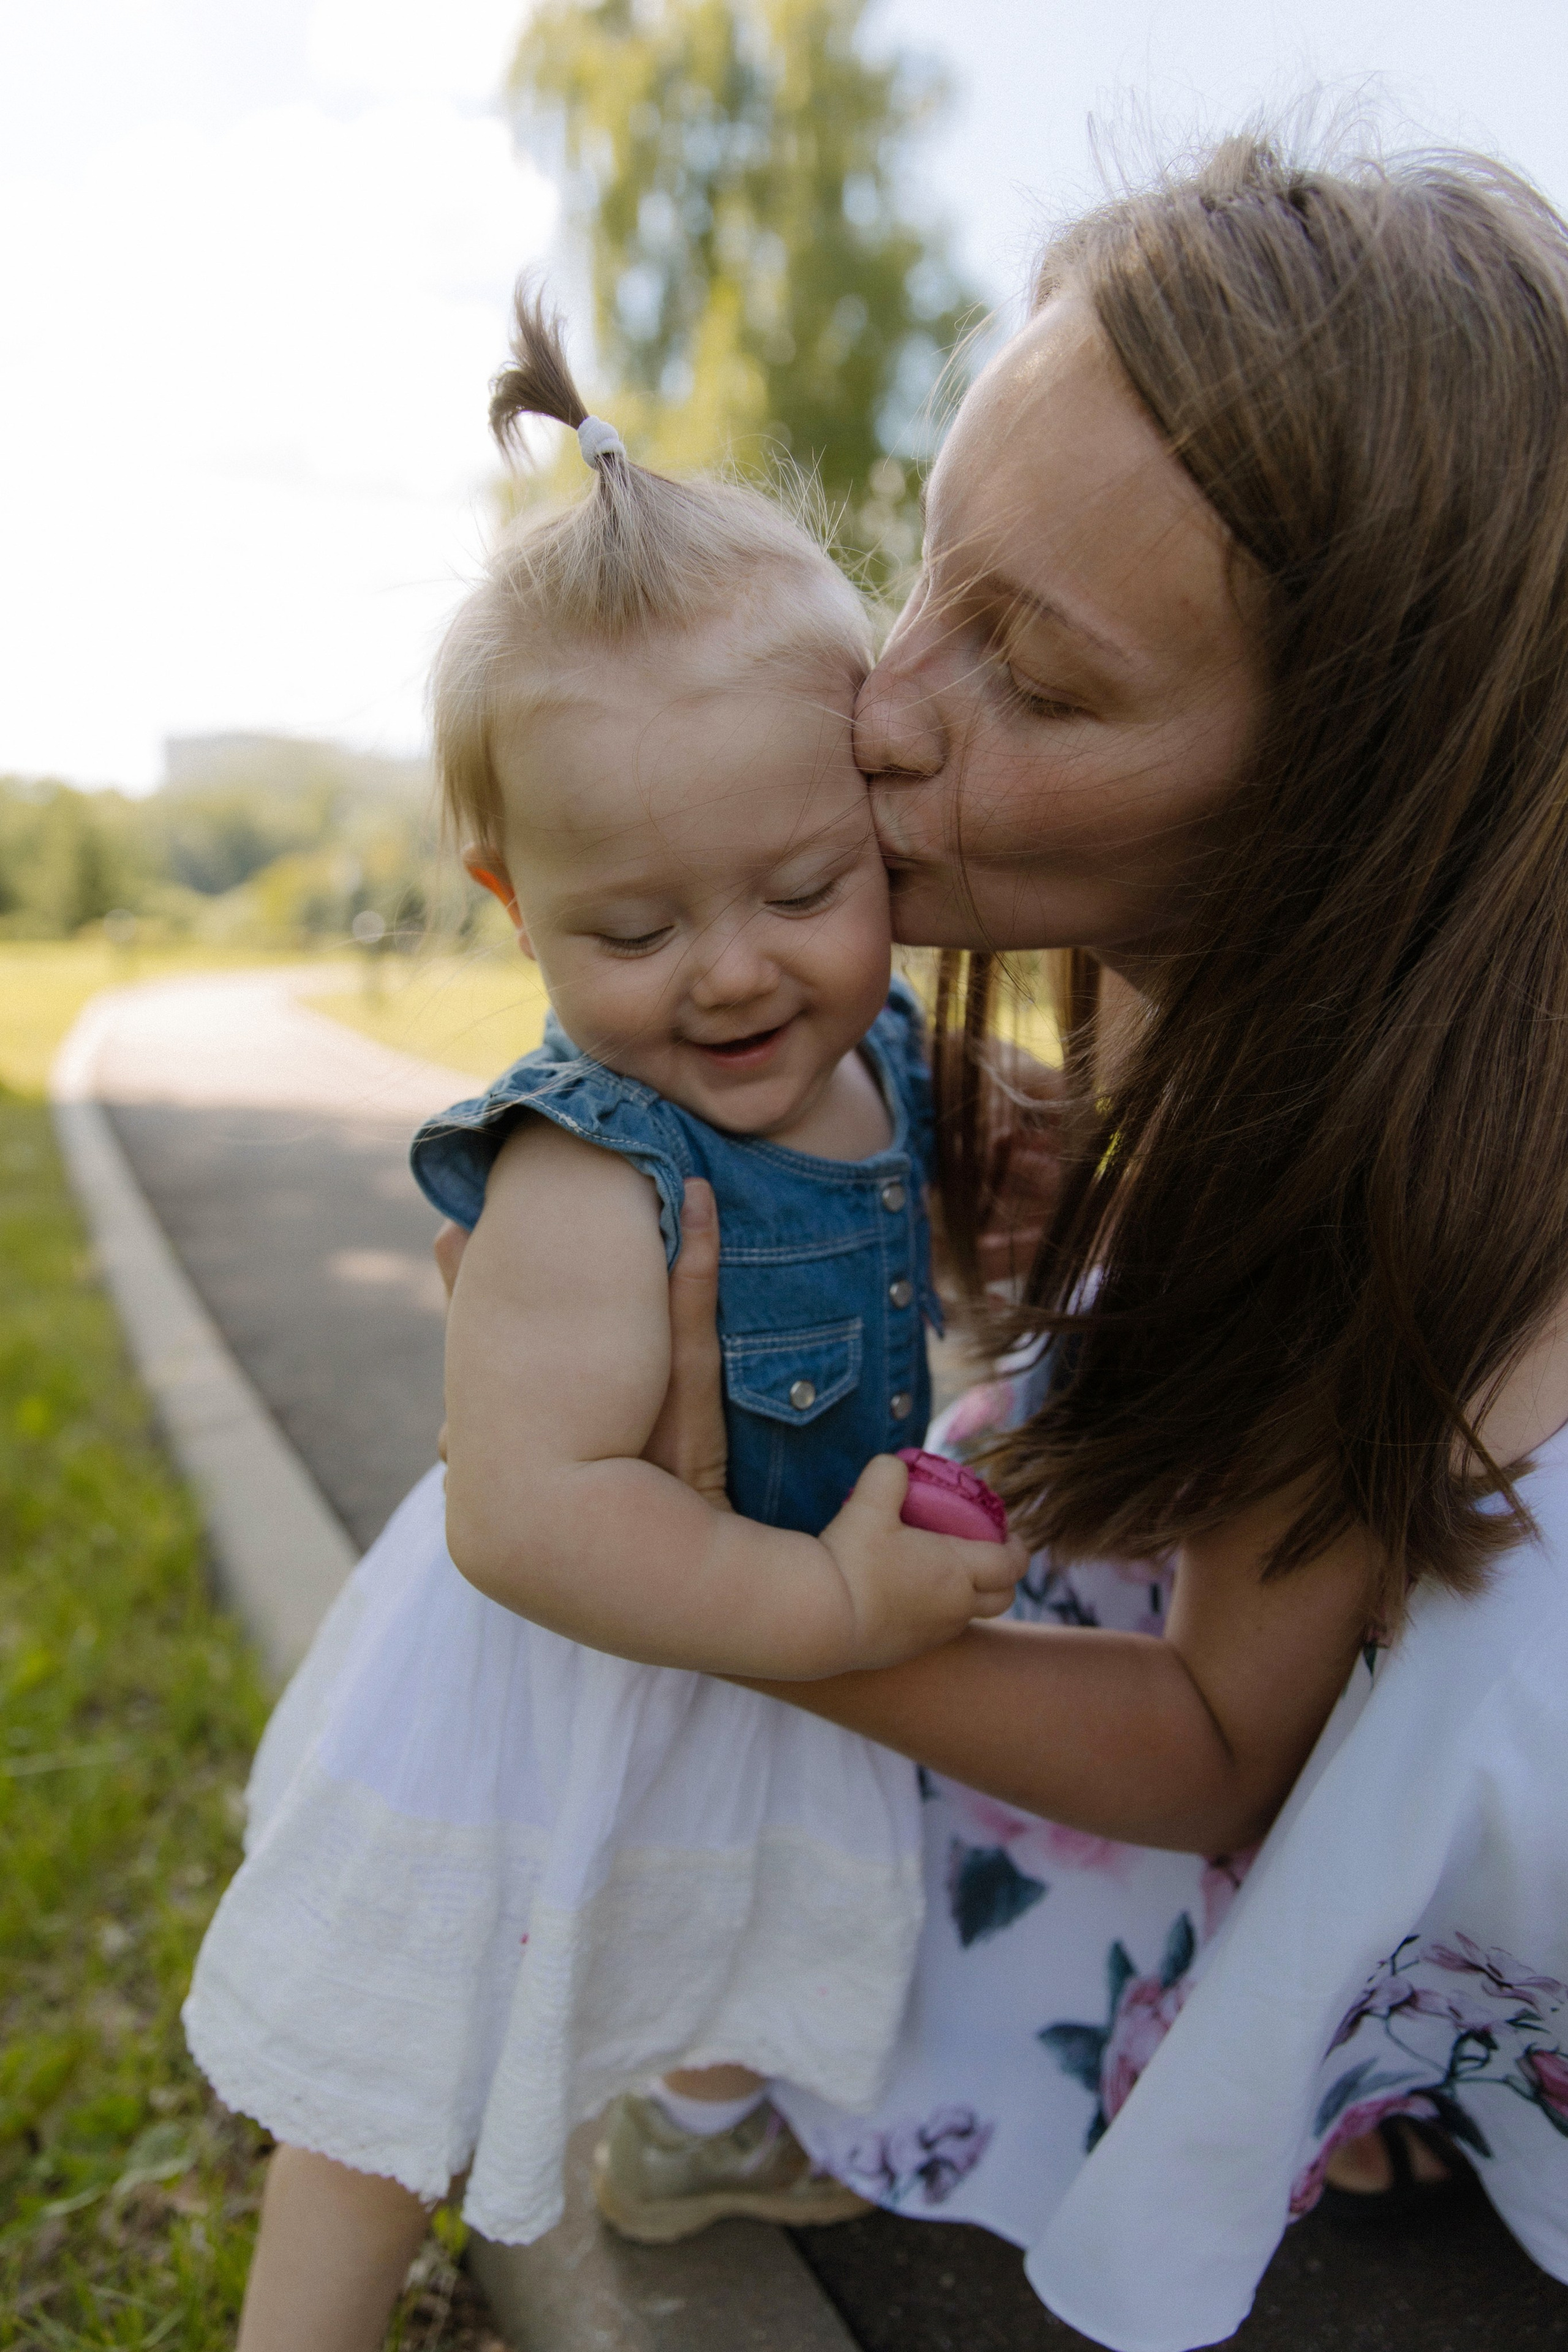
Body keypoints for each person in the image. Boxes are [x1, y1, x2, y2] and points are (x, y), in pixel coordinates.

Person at [522, 133, 1568, 2350]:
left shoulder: (1393, 1170)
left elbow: (1210, 1729)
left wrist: (740, 1581)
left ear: (1355, 797)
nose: (880, 711)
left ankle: (1356, 2023)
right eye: (925, 577)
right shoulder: (1215, 983)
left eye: (1042, 681)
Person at [183, 294, 1021, 2352]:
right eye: (632, 931)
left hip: (778, 1621)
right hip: (571, 1661)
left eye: (802, 891)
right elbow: (530, 1519)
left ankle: (700, 2130)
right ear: (510, 902)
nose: (732, 975)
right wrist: (817, 1614)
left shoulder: (883, 1052)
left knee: (730, 1906)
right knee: (421, 2028)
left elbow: (945, 1211)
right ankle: (308, 2323)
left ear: (877, 836)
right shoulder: (587, 1167)